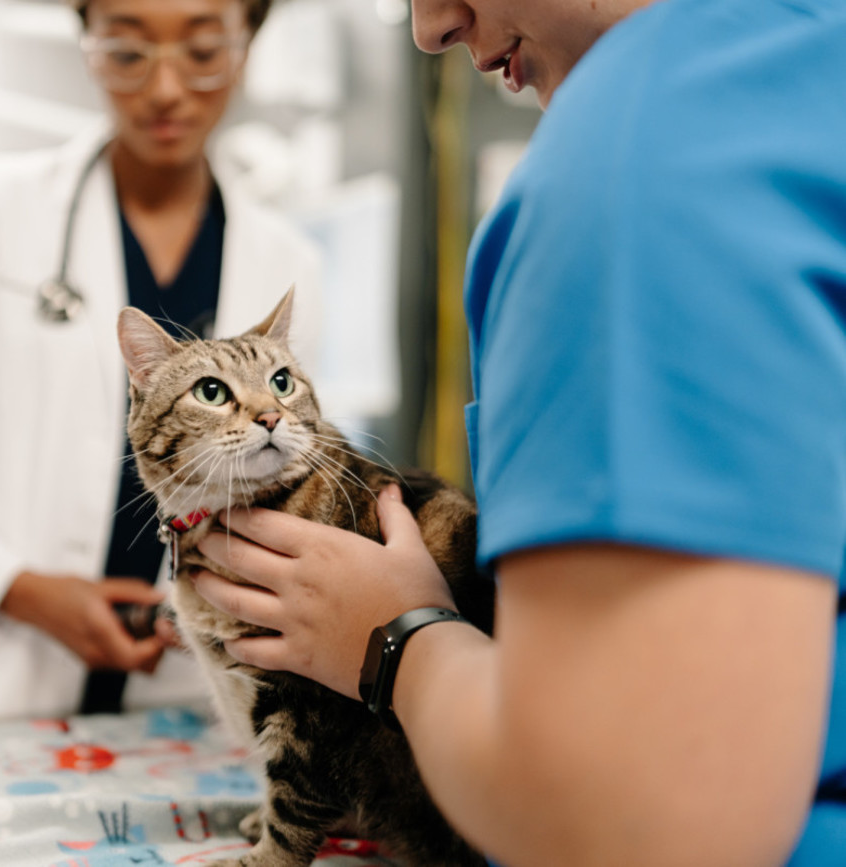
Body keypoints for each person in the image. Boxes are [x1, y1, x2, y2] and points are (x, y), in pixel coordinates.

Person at [190, 0, 846, 864]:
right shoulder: (802, 57)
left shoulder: (637, 162)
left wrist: (394, 640)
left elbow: (631, 828)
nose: (428, 26)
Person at [0, 0, 321, 724]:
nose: (164, 90)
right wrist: (23, 590)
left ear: (248, 43)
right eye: (128, 53)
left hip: (192, 703)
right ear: (87, 42)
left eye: (201, 51)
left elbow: (294, 472)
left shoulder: (287, 260)